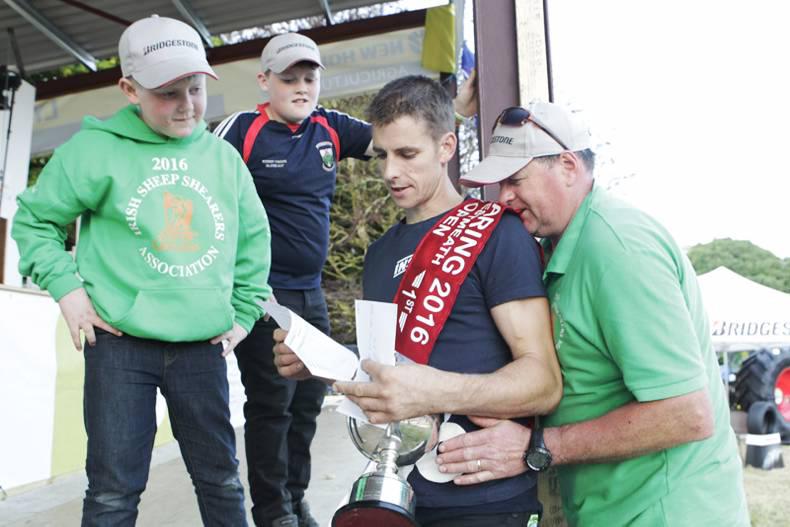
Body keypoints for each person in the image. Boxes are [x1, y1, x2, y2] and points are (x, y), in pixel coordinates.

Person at [433, 102, 750, 526]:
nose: (504, 197)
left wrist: (536, 446)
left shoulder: (617, 247)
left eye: (515, 179)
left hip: (666, 512)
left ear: (567, 166)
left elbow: (686, 413)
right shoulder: (558, 247)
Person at [12, 15, 272, 526]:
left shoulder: (223, 159)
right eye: (167, 92)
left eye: (194, 89)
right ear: (129, 88)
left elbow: (253, 242)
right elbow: (35, 220)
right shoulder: (93, 150)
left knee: (220, 478)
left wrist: (243, 312)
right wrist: (67, 290)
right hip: (119, 343)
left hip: (202, 346)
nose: (186, 105)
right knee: (112, 489)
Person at [214, 33, 477, 527]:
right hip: (261, 293)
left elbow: (401, 135)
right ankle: (274, 514)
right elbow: (199, 181)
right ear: (264, 81)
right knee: (272, 404)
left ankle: (296, 500)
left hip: (309, 292)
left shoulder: (330, 128)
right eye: (288, 78)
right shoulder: (242, 130)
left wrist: (457, 110)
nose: (301, 87)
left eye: (309, 78)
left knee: (311, 401)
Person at [273, 75, 562, 526]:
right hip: (401, 498)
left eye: (408, 154)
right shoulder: (380, 252)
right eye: (383, 154)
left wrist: (430, 390)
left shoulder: (497, 233)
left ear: (446, 147)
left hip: (487, 501)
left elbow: (543, 383)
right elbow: (392, 368)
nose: (390, 171)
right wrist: (321, 362)